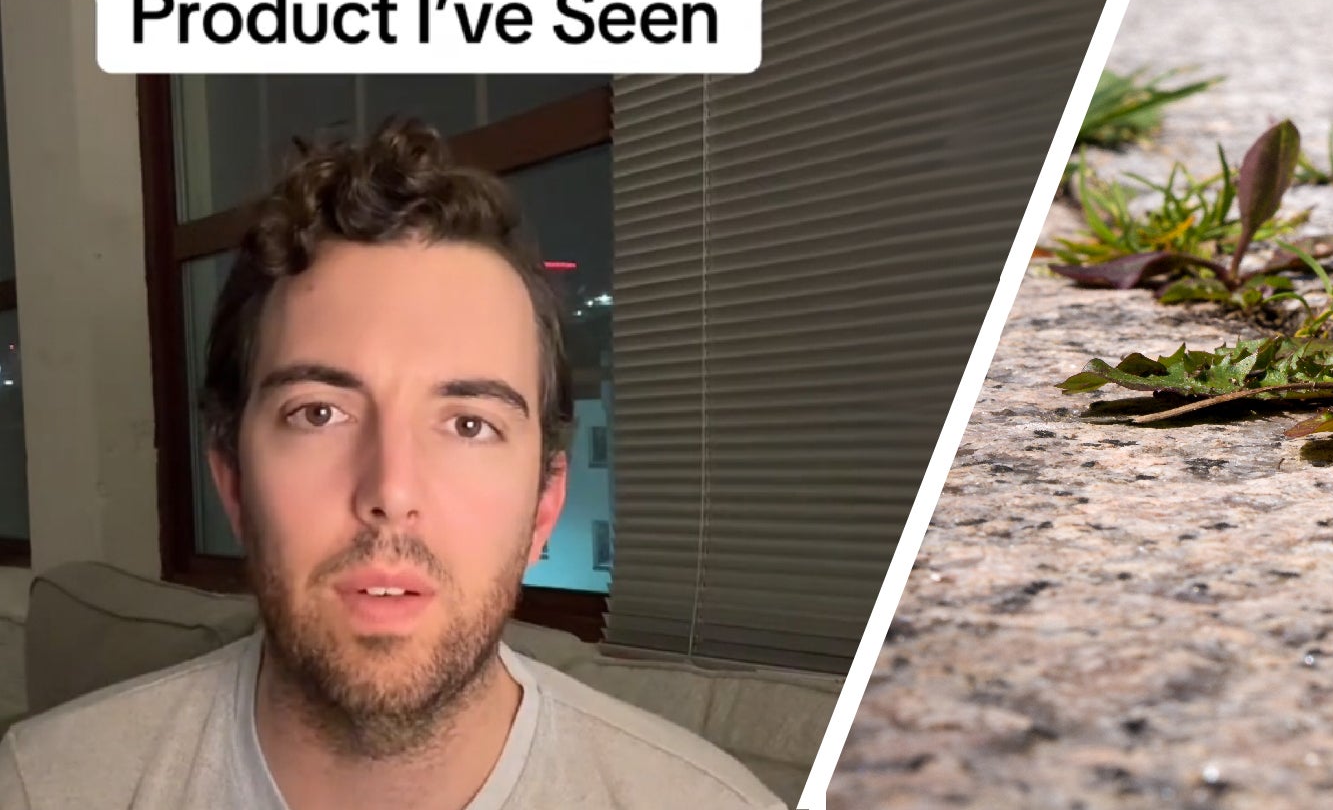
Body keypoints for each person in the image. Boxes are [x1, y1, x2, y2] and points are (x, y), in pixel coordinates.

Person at [0, 119, 784, 810]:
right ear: (232, 481)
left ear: (545, 506)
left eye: (469, 424)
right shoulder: (44, 787)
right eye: (319, 414)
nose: (391, 491)